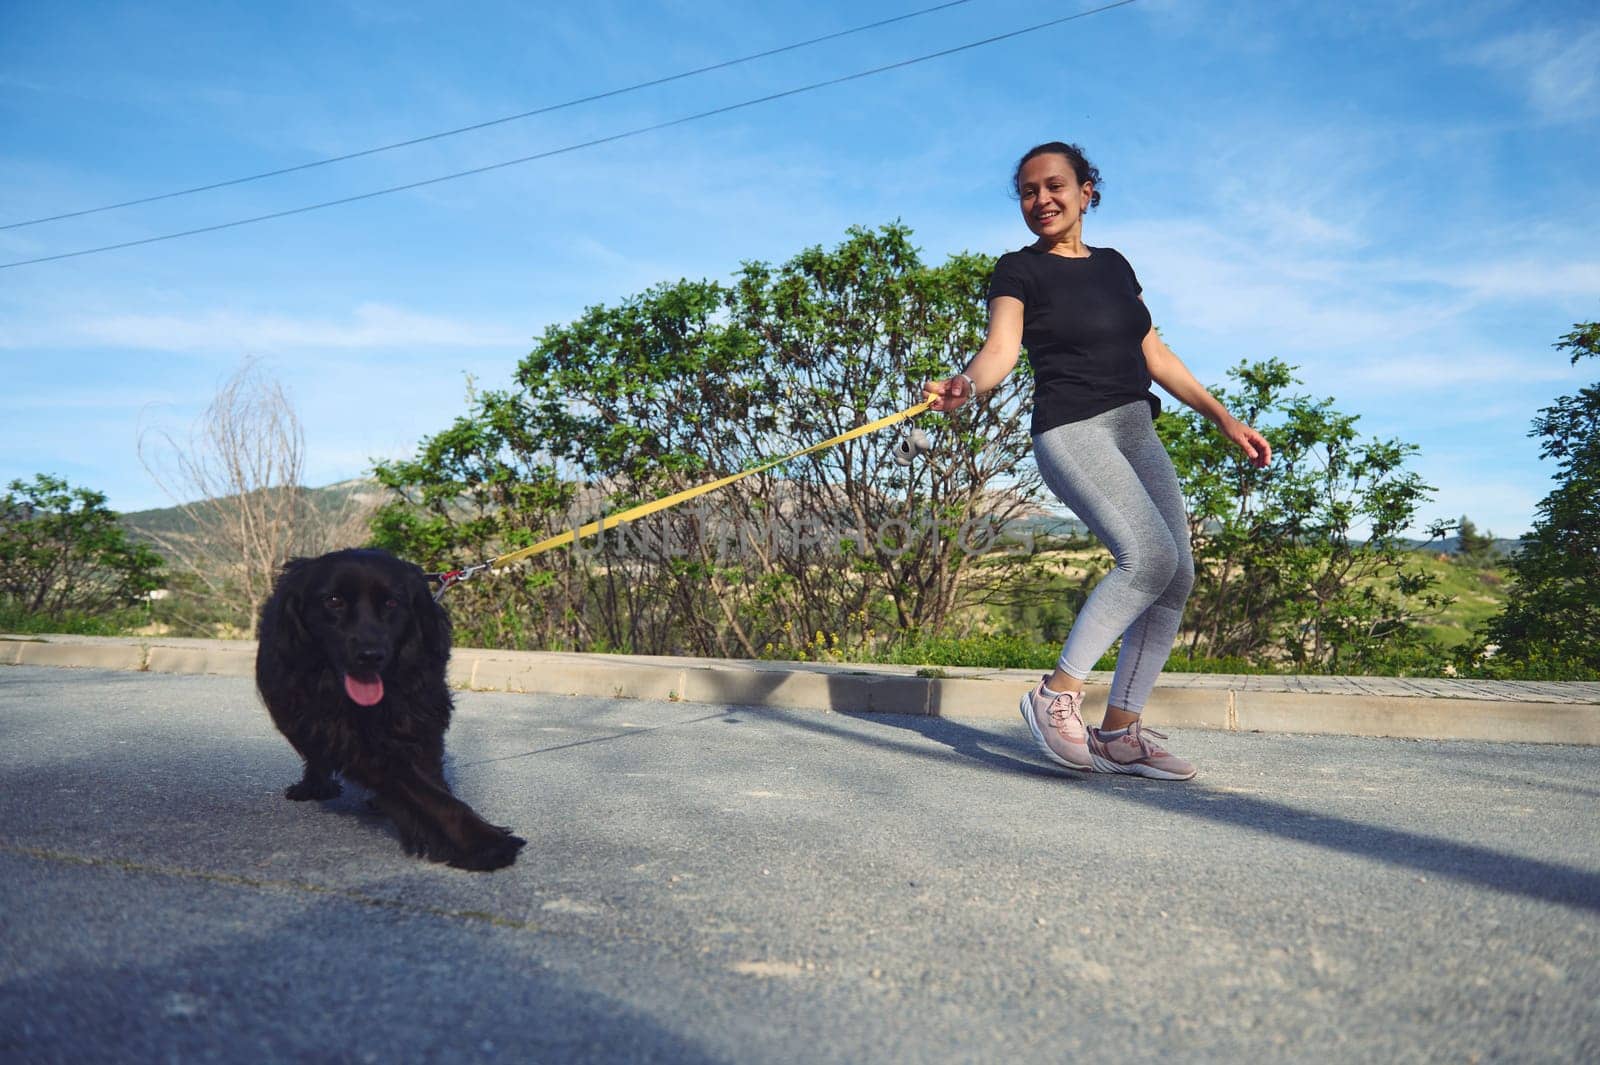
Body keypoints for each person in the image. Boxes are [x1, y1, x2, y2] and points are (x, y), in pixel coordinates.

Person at [923, 142, 1271, 781]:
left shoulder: (1115, 266)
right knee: (1150, 557)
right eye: (1028, 192)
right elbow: (1000, 350)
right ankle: (1056, 695)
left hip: (1135, 429)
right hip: (1073, 430)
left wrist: (1224, 418)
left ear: (1087, 191)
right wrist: (965, 386)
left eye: (1055, 186)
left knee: (1177, 574)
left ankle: (1119, 733)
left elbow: (1156, 357)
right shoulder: (1018, 271)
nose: (1041, 201)